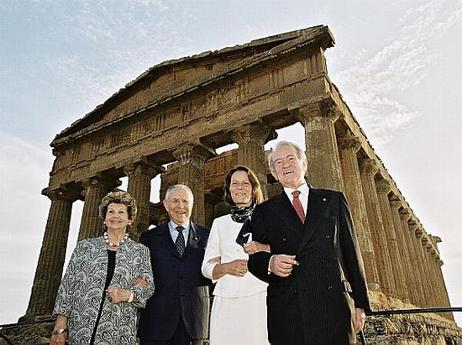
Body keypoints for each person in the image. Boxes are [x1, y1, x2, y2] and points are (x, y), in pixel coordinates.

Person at [245, 141, 370, 345]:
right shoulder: (263, 211)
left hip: (334, 307)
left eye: (290, 158)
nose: (285, 165)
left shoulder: (334, 201)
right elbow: (254, 259)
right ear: (274, 174)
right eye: (278, 162)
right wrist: (270, 262)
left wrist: (360, 304)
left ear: (304, 163)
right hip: (290, 312)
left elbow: (351, 253)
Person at [50, 191, 155, 345]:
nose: (115, 216)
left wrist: (127, 294)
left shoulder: (139, 252)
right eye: (110, 212)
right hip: (80, 328)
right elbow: (67, 287)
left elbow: (148, 287)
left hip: (118, 329)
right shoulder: (85, 247)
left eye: (121, 212)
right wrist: (60, 328)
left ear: (129, 220)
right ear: (104, 218)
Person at [201, 165, 270, 345]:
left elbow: (281, 252)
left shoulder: (267, 219)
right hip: (226, 299)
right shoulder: (219, 223)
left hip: (260, 296)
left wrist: (262, 247)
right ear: (229, 189)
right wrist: (225, 267)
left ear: (254, 188)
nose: (240, 187)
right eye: (235, 183)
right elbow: (206, 267)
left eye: (245, 183)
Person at [138, 184, 210, 345]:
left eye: (185, 201)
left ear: (192, 204)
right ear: (165, 204)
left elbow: (213, 274)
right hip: (156, 322)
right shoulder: (148, 238)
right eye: (175, 201)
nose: (180, 206)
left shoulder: (208, 236)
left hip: (194, 323)